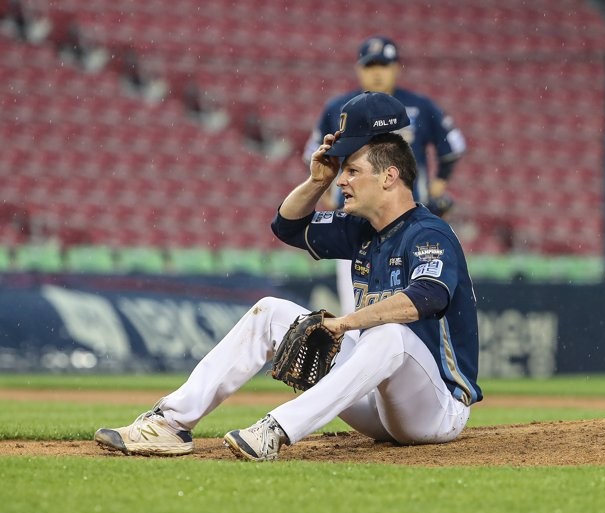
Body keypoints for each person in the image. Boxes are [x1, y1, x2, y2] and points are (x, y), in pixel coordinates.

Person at [94, 92, 482, 460]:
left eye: (351, 170)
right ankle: (171, 423)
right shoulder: (362, 229)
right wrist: (317, 181)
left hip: (435, 408)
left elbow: (428, 296)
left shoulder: (428, 233)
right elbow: (288, 227)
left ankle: (275, 430)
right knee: (270, 312)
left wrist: (346, 324)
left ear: (389, 176)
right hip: (377, 405)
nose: (341, 180)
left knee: (389, 334)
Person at [305, 35, 467, 317]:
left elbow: (452, 147)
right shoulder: (339, 108)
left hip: (410, 221)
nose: (377, 72)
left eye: (384, 65)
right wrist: (330, 193)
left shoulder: (420, 106)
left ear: (396, 68)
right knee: (356, 310)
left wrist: (438, 187)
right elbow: (315, 154)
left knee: (411, 306)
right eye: (371, 66)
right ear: (359, 69)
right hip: (358, 224)